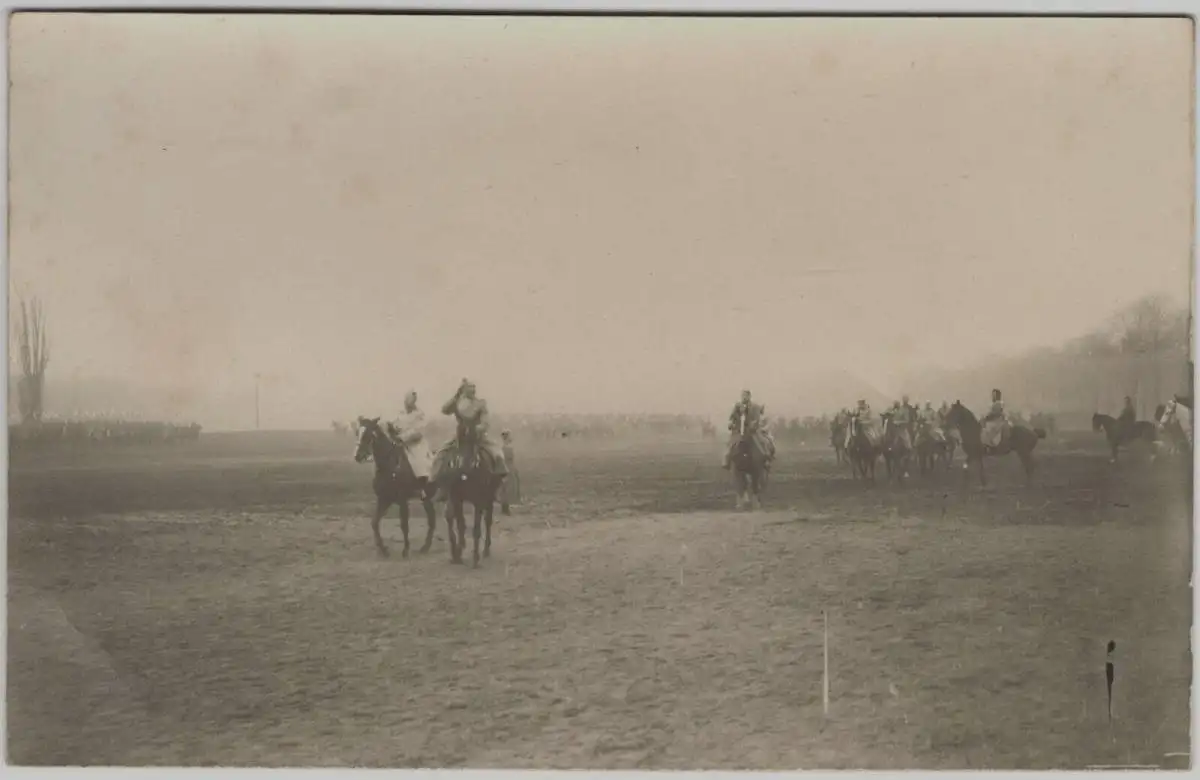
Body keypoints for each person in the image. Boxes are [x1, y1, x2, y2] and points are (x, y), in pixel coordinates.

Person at [431, 378, 509, 481]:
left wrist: (476, 429)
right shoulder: (458, 403)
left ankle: (498, 480)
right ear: (464, 389)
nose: (472, 390)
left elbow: (485, 422)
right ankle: (435, 480)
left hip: (477, 436)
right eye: (469, 387)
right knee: (440, 454)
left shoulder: (480, 404)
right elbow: (445, 410)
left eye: (474, 387)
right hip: (460, 436)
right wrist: (456, 395)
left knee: (496, 452)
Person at [390, 390, 434, 486]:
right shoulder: (400, 413)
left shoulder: (419, 414)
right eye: (407, 400)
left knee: (420, 462)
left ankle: (423, 485)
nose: (408, 402)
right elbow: (395, 424)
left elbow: (419, 431)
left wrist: (403, 437)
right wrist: (393, 429)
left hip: (415, 444)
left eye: (412, 400)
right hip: (399, 442)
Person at [723, 390, 773, 470]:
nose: (744, 397)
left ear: (749, 397)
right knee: (730, 443)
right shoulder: (737, 406)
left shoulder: (754, 406)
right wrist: (731, 423)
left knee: (762, 441)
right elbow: (732, 417)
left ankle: (766, 459)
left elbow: (758, 415)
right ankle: (726, 460)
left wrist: (754, 424)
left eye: (746, 396)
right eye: (743, 396)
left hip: (752, 430)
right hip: (739, 430)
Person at [497, 429, 522, 516]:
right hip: (508, 468)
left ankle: (505, 508)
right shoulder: (506, 449)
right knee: (507, 488)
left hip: (506, 468)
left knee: (505, 488)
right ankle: (505, 508)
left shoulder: (502, 448)